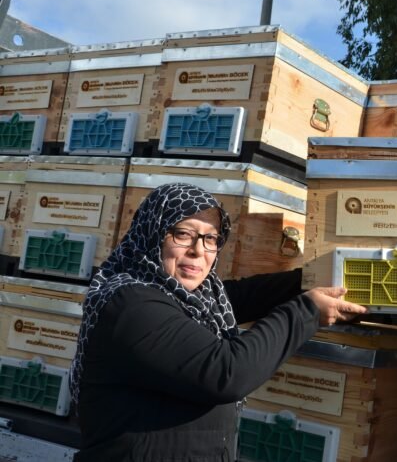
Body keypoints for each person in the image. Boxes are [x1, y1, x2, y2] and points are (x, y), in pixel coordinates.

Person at [69, 183, 367, 461]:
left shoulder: (194, 298)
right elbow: (227, 372)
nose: (198, 250)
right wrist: (307, 312)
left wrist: (328, 275)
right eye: (182, 234)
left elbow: (249, 294)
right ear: (151, 234)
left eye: (210, 238)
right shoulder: (130, 305)